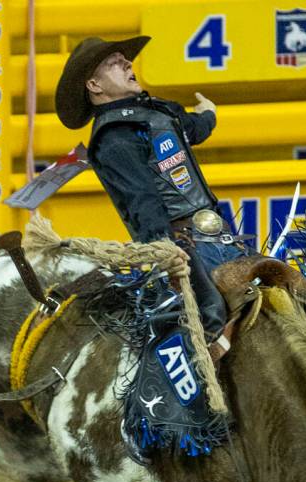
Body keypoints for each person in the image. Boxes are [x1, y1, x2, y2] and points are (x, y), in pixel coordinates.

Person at [55, 35, 249, 340]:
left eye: (124, 59)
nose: (127, 63)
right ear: (94, 85)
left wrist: (208, 115)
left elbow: (193, 129)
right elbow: (145, 206)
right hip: (189, 248)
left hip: (214, 239)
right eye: (113, 63)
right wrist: (170, 258)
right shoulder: (115, 139)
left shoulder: (156, 114)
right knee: (213, 317)